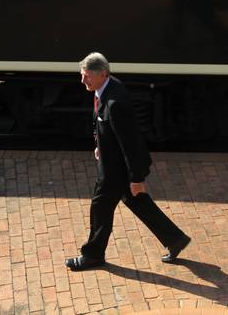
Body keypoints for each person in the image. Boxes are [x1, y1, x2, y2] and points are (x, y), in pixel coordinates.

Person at [65, 53, 191, 271]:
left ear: (102, 74)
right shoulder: (107, 86)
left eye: (86, 76)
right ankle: (175, 238)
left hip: (116, 169)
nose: (82, 81)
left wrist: (136, 178)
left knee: (101, 208)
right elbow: (104, 126)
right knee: (137, 201)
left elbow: (130, 143)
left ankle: (93, 255)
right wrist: (100, 145)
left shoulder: (115, 103)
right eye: (82, 75)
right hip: (113, 162)